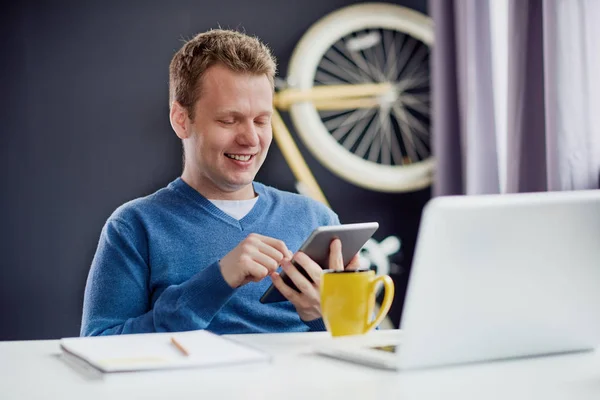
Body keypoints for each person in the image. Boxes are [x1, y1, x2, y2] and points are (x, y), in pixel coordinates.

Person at [80, 29, 359, 336]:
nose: (250, 138)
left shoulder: (316, 219)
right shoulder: (134, 226)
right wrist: (218, 279)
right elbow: (97, 345)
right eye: (229, 120)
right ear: (181, 120)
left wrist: (325, 317)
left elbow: (361, 352)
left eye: (262, 120)